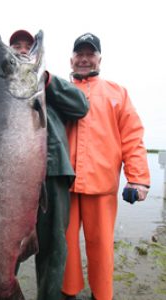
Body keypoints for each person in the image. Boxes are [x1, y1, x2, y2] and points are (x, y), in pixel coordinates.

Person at [0, 30, 89, 300]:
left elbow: (81, 106)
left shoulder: (52, 86)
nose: (21, 50)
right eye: (16, 45)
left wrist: (45, 81)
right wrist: (3, 92)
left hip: (54, 178)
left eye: (27, 45)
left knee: (55, 249)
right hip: (2, 183)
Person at [60, 33, 151, 300]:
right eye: (80, 54)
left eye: (90, 53)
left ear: (100, 58)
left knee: (101, 246)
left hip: (102, 185)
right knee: (64, 245)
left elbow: (132, 137)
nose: (85, 58)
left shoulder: (117, 93)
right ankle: (68, 291)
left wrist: (138, 179)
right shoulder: (57, 91)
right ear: (72, 59)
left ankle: (102, 294)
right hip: (63, 185)